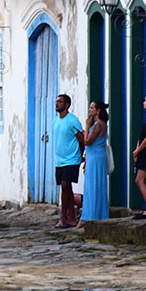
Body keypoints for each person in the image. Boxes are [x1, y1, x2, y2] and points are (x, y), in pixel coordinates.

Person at [53, 94, 84, 228]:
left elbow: (81, 139)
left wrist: (80, 154)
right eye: (56, 102)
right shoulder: (55, 121)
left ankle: (63, 217)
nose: (57, 104)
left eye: (60, 102)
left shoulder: (72, 121)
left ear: (66, 105)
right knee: (66, 188)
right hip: (60, 160)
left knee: (66, 185)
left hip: (72, 159)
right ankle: (71, 217)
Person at [78, 100, 110, 225]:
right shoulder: (100, 124)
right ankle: (95, 214)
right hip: (95, 157)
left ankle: (89, 216)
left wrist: (86, 125)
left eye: (92, 108)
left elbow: (87, 141)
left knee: (92, 186)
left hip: (95, 158)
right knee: (95, 185)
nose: (89, 110)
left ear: (98, 111)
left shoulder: (98, 125)